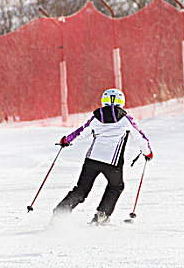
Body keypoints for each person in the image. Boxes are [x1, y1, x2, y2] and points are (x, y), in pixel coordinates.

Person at [53, 88, 153, 225]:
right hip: (112, 163)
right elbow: (140, 138)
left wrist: (66, 140)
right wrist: (148, 152)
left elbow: (81, 132)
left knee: (81, 190)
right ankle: (102, 216)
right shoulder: (125, 120)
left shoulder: (96, 117)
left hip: (91, 161)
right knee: (116, 186)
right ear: (121, 101)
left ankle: (60, 213)